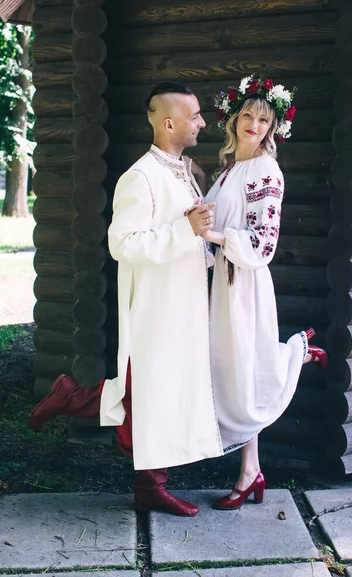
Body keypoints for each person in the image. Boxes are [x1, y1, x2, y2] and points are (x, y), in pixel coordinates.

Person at [28, 81, 223, 516]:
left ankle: (144, 479)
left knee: (160, 392)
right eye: (194, 116)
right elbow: (123, 243)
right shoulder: (140, 177)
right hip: (155, 309)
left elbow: (189, 233)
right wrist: (184, 230)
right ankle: (77, 405)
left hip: (183, 302)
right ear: (169, 122)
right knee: (147, 392)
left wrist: (208, 243)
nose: (202, 123)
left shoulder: (182, 170)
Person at [202, 76, 327, 510]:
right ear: (233, 119)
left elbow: (263, 241)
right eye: (248, 115)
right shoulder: (231, 168)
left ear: (273, 128)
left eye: (264, 119)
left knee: (243, 369)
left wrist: (214, 236)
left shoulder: (264, 171)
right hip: (222, 280)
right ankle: (250, 470)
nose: (254, 124)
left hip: (245, 282)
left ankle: (295, 355)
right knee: (233, 371)